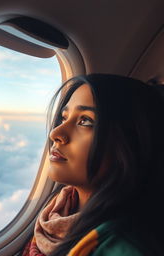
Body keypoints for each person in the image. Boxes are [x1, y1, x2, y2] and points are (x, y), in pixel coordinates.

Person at [22, 74, 164, 256]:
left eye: (85, 121)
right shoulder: (60, 208)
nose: (56, 133)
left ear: (133, 141)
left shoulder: (123, 247)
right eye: (64, 118)